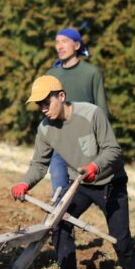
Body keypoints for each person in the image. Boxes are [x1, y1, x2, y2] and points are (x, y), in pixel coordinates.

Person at [10, 75, 135, 269]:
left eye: (47, 102)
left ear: (61, 96)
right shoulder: (45, 129)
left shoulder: (91, 114)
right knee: (60, 225)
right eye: (39, 105)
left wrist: (95, 166)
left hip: (110, 183)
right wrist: (25, 182)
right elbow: (39, 164)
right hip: (80, 185)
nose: (43, 108)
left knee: (120, 239)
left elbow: (113, 150)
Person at [45, 28, 109, 199]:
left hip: (85, 143)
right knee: (59, 193)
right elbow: (46, 109)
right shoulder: (51, 75)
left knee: (86, 195)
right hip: (59, 143)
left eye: (64, 41)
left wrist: (102, 143)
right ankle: (60, 226)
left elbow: (101, 109)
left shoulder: (91, 73)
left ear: (77, 45)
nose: (59, 46)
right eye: (57, 42)